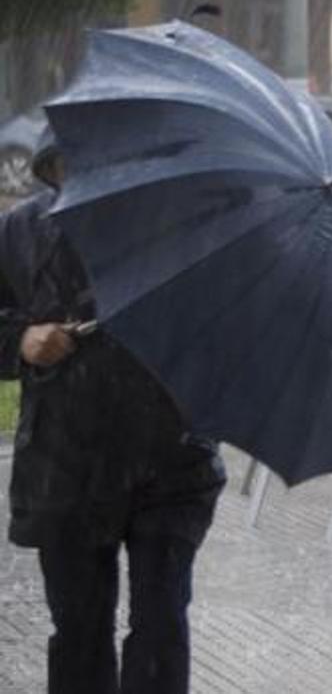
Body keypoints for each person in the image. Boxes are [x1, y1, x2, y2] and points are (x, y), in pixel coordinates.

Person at [0, 130, 225, 694]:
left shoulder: (188, 227)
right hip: (64, 464)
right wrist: (22, 339)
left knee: (159, 626)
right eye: (71, 167)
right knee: (78, 632)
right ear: (54, 167)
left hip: (172, 462)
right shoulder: (22, 231)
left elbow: (230, 332)